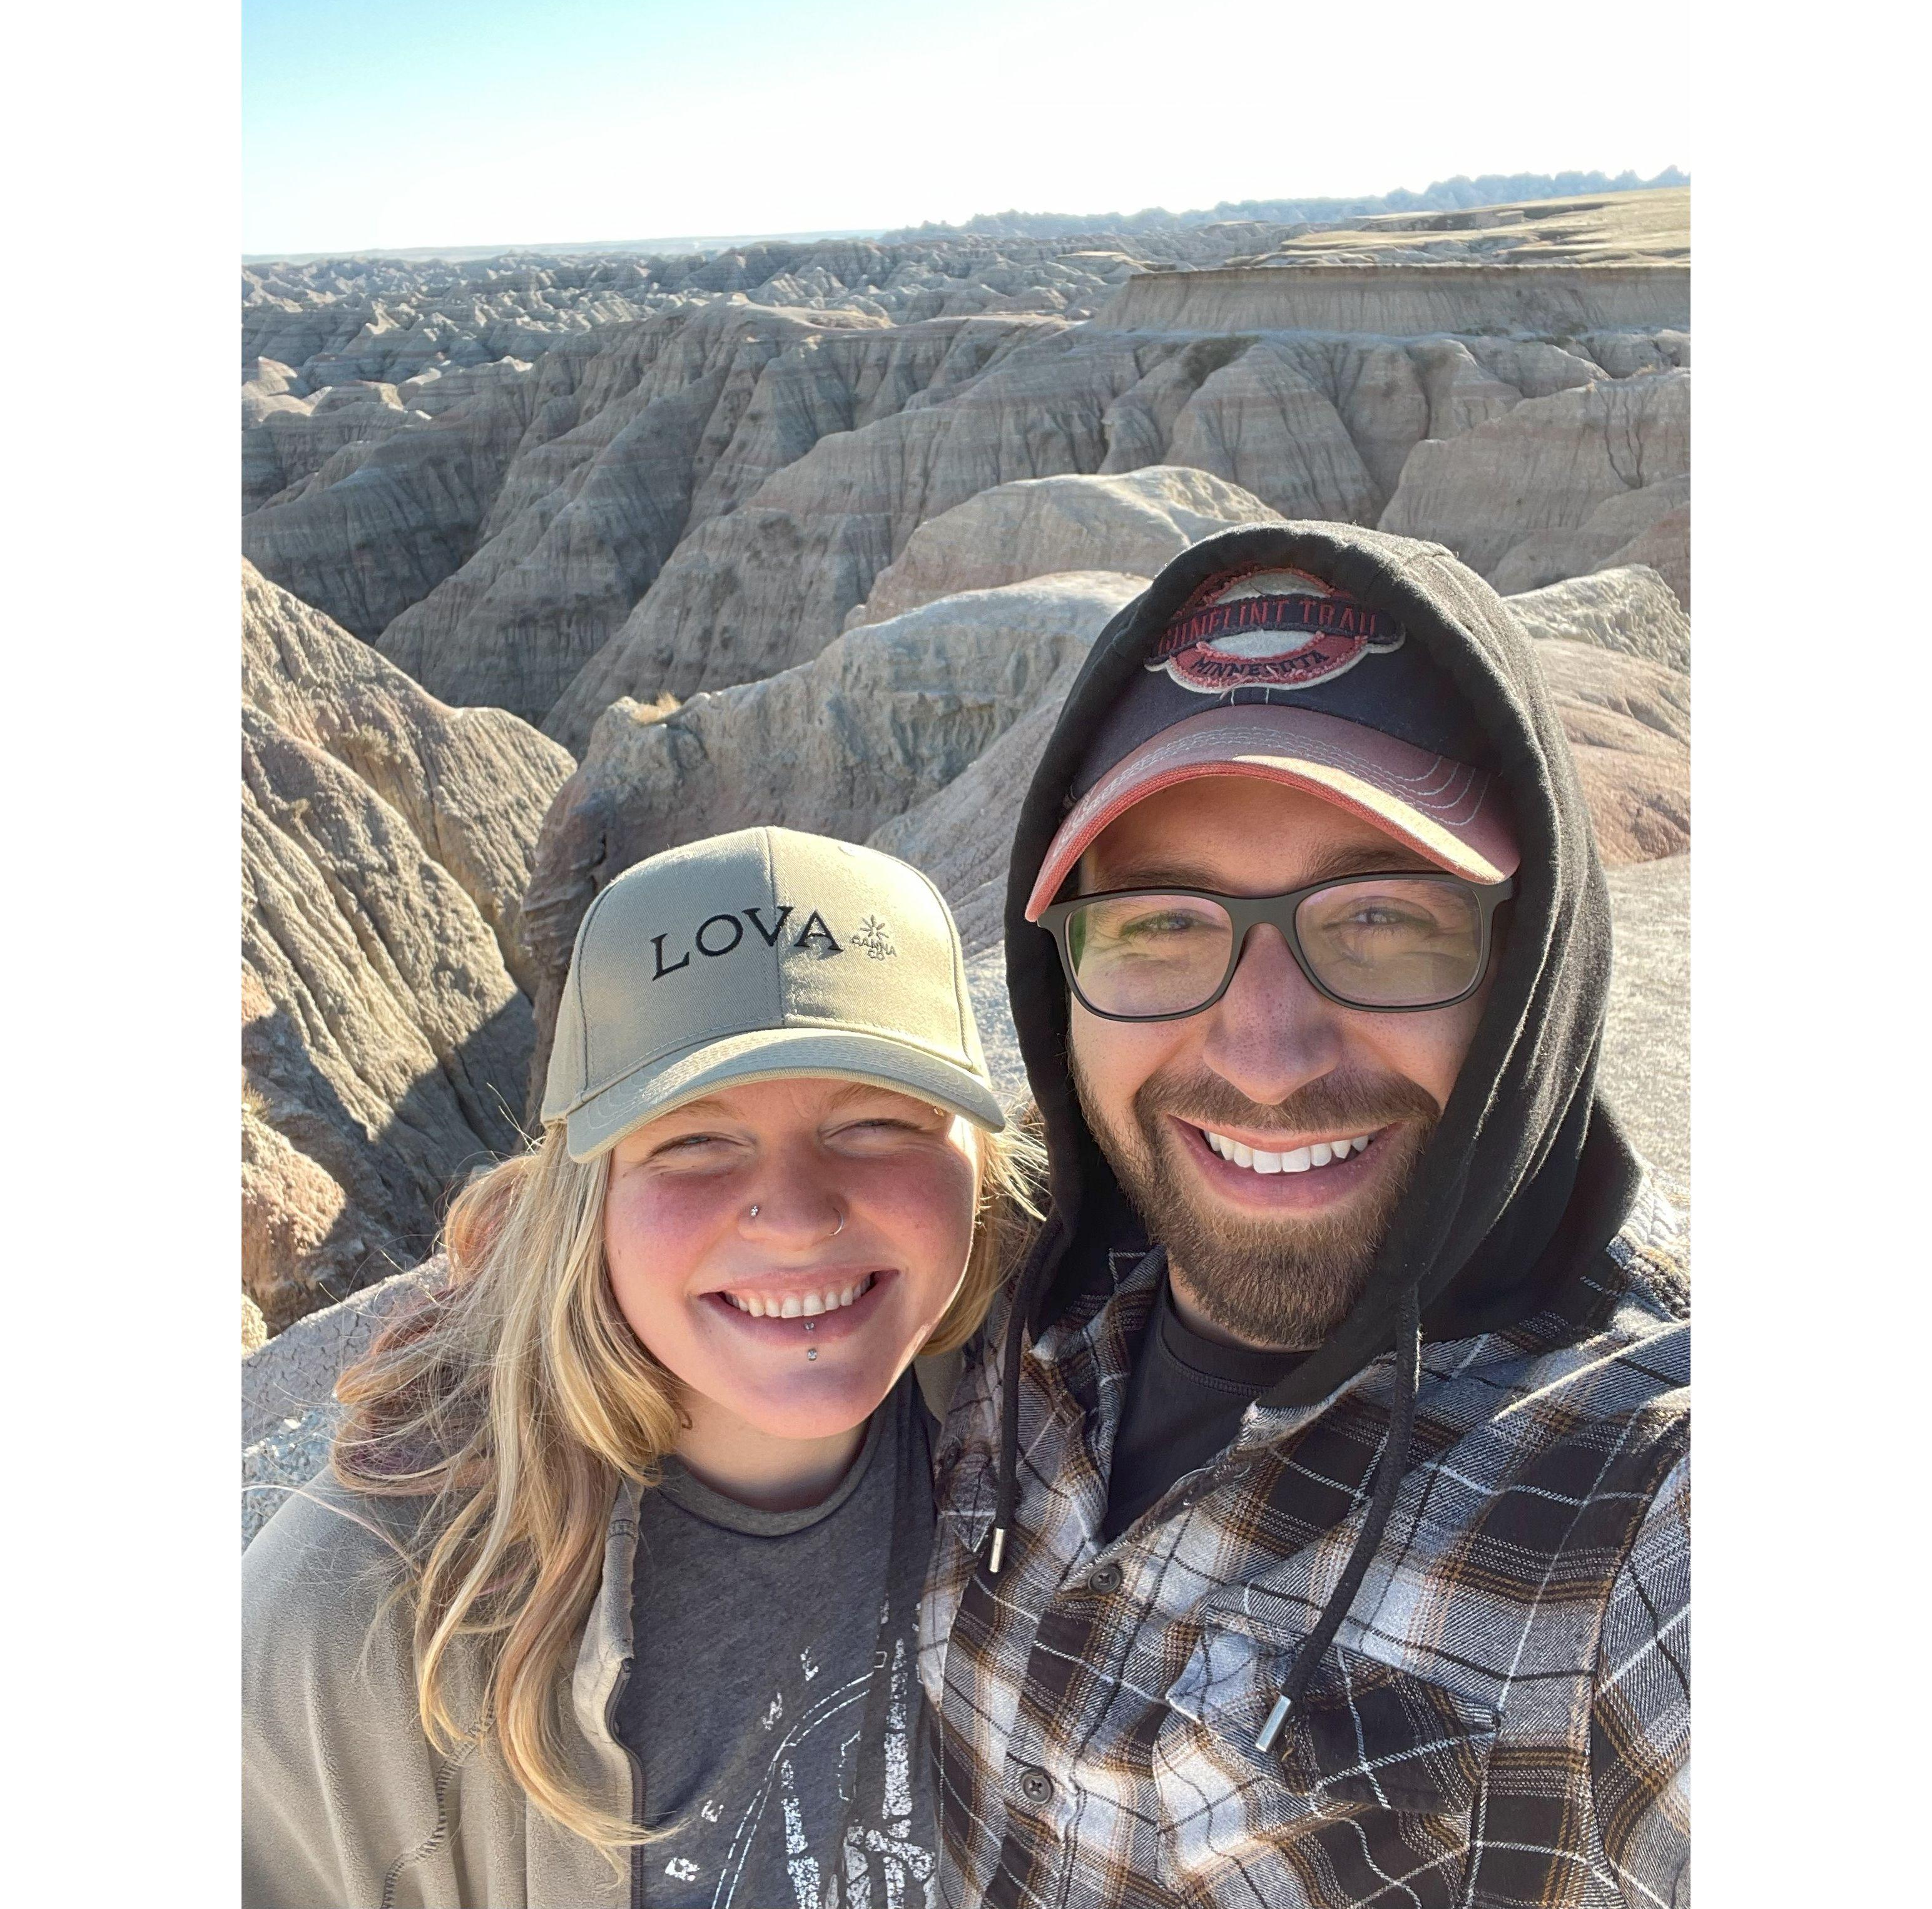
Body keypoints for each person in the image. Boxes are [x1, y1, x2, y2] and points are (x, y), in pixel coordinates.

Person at [919, 526, 1690, 1908]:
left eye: (1383, 918)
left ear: (1526, 965)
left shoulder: (1635, 1509)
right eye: (1159, 925)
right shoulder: (991, 1313)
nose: (1266, 1054)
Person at [243, 825, 1037, 1909]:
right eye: (694, 1142)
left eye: (877, 1123)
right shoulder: (363, 1618)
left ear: (977, 1168)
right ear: (589, 1196)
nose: (799, 1216)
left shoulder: (1064, 1414)